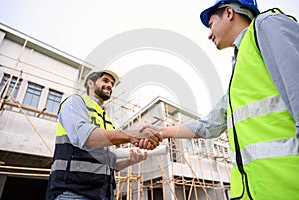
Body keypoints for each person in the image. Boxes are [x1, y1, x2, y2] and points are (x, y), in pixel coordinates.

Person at [138, 0, 299, 199]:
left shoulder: (268, 25)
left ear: (229, 13)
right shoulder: (240, 69)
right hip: (257, 191)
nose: (209, 34)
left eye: (211, 24)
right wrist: (161, 132)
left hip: (289, 186)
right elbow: (208, 126)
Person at [46, 69, 162, 200]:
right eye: (105, 81)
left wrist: (131, 160)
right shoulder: (75, 103)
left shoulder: (108, 122)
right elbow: (84, 136)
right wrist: (132, 135)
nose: (110, 86)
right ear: (90, 83)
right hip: (74, 193)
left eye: (112, 83)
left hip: (103, 194)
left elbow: (110, 164)